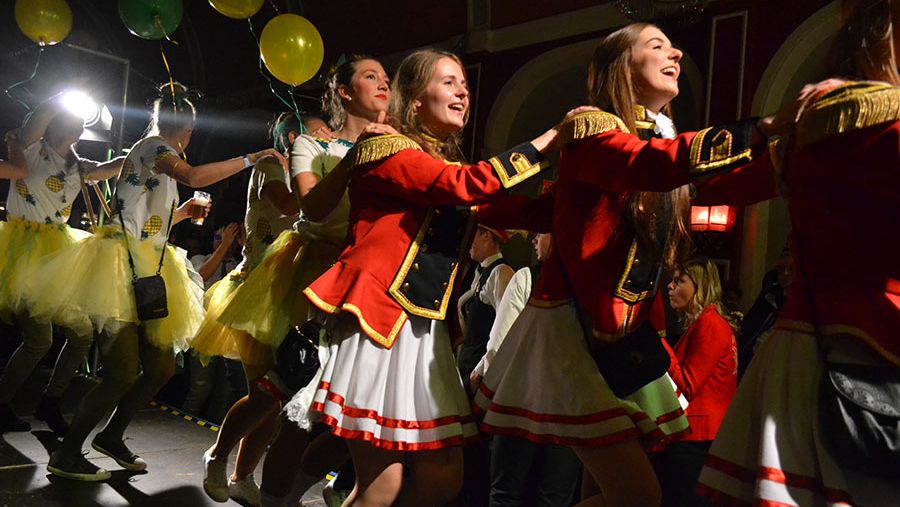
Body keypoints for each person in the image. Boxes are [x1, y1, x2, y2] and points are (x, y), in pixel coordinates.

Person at [473, 23, 776, 507]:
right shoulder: (595, 130)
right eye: (657, 45)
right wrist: (763, 128)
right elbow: (643, 164)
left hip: (622, 332)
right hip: (576, 331)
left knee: (602, 489)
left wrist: (801, 155)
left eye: (673, 45)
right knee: (638, 496)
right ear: (622, 68)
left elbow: (727, 182)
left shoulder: (658, 143)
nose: (676, 53)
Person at [298, 48, 559, 507]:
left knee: (442, 478)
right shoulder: (387, 148)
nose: (462, 92)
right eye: (448, 82)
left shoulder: (443, 169)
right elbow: (464, 186)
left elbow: (514, 207)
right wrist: (549, 140)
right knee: (381, 486)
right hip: (380, 326)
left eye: (465, 85)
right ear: (415, 99)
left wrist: (583, 181)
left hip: (424, 336)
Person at [23, 82, 284, 482]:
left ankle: (111, 436)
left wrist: (182, 213)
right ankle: (67, 453)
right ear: (187, 130)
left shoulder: (154, 156)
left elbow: (146, 219)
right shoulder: (154, 147)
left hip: (150, 265)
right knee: (121, 372)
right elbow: (193, 175)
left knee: (161, 367)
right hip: (119, 267)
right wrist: (252, 157)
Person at [697, 1, 900, 504]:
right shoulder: (881, 123)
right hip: (867, 352)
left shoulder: (814, 126)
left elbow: (719, 184)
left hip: (801, 350)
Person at [198, 56, 394, 507]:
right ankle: (221, 455)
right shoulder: (311, 147)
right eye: (371, 77)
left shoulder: (394, 145)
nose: (384, 84)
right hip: (308, 271)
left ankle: (312, 485)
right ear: (344, 92)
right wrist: (353, 153)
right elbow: (306, 206)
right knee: (278, 389)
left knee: (345, 402)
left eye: (387, 78)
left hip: (361, 277)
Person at [0, 96, 124, 436]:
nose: (80, 123)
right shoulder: (29, 148)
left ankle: (50, 401)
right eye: (74, 118)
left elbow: (110, 168)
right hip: (24, 254)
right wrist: (65, 96)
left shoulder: (77, 165)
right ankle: (2, 402)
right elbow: (39, 115)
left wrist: (142, 155)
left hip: (59, 257)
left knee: (82, 333)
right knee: (39, 339)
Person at [476, 231, 583, 507]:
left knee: (507, 493)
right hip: (568, 406)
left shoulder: (527, 278)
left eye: (540, 232)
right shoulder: (588, 286)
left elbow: (500, 344)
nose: (533, 239)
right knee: (554, 497)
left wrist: (481, 384)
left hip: (520, 398)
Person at [652, 258, 738, 507]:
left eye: (679, 281)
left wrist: (659, 344)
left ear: (700, 287)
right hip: (698, 436)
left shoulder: (710, 324)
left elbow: (688, 385)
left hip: (697, 438)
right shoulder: (706, 323)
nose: (670, 286)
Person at [456, 224, 514, 507]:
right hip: (466, 370)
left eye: (474, 234)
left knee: (476, 450)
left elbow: (505, 328)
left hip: (480, 378)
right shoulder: (480, 274)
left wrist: (482, 370)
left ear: (487, 235)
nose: (469, 242)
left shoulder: (501, 273)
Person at [183, 222, 246, 423]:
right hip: (203, 331)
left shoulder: (239, 265)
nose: (222, 242)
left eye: (229, 238)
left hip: (228, 335)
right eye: (218, 237)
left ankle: (213, 431)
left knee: (224, 392)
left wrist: (244, 247)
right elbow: (201, 276)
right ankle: (182, 426)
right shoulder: (200, 259)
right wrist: (224, 245)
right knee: (200, 387)